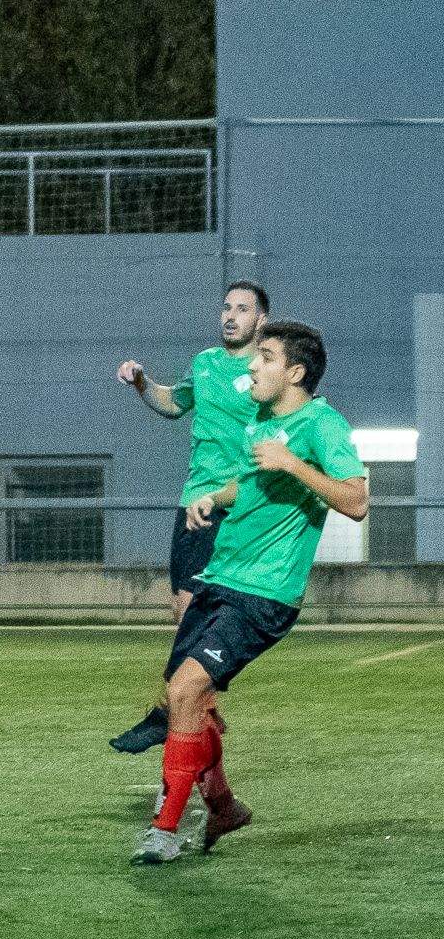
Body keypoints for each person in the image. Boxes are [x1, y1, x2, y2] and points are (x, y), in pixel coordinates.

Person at [132, 320, 366, 864]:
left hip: (264, 593)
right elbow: (255, 485)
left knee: (188, 691)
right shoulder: (260, 419)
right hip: (220, 577)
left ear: (295, 373)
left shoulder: (322, 424)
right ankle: (223, 806)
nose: (253, 367)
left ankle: (164, 833)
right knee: (183, 698)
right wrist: (216, 497)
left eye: (264, 358)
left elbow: (355, 501)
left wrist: (294, 464)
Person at [109, 281, 271, 754]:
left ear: (260, 319)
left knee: (206, 616)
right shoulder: (204, 364)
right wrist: (143, 384)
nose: (230, 315)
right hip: (194, 503)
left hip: (240, 505)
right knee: (184, 612)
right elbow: (173, 403)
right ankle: (196, 713)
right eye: (226, 307)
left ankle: (172, 708)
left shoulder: (267, 370)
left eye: (242, 309)